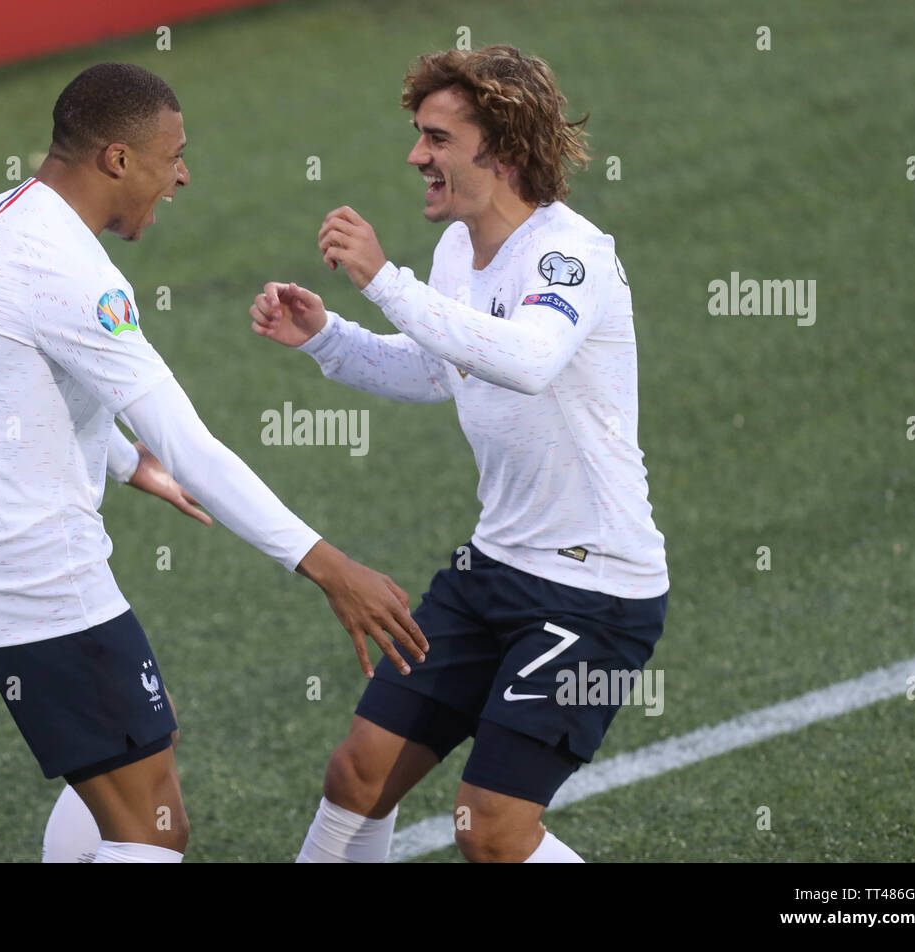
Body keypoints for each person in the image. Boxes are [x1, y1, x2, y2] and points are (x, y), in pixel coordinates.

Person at [0, 62, 427, 864]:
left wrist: (124, 462)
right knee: (151, 827)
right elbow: (191, 441)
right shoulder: (74, 275)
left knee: (132, 756)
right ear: (118, 160)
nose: (183, 174)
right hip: (34, 574)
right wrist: (329, 566)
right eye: (173, 155)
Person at [250, 45, 669, 863]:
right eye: (419, 136)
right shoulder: (456, 253)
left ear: (503, 148)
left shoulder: (570, 256)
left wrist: (382, 283)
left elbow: (527, 359)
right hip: (493, 569)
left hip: (594, 592)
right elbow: (442, 369)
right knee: (358, 774)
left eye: (437, 139)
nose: (416, 157)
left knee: (492, 831)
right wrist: (327, 339)